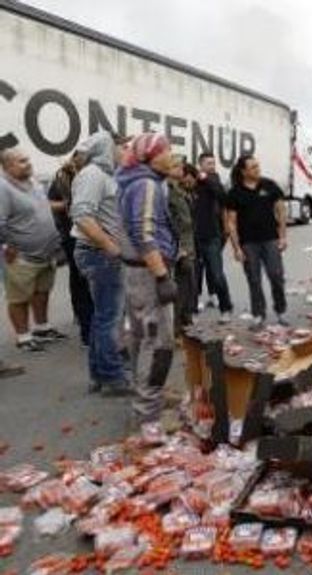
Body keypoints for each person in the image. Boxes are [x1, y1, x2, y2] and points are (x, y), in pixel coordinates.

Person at [116, 133, 178, 425]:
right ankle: (148, 416)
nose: (172, 156)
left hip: (136, 271)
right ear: (152, 156)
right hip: (148, 273)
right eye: (167, 152)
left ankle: (144, 398)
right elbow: (143, 233)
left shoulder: (135, 180)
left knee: (140, 337)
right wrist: (163, 275)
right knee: (160, 343)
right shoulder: (146, 184)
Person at [71, 131, 131, 394]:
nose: (126, 151)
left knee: (102, 316)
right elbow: (82, 216)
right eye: (123, 147)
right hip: (100, 255)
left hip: (100, 254)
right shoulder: (93, 174)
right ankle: (112, 377)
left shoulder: (105, 175)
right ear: (109, 148)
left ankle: (100, 373)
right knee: (109, 318)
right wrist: (112, 247)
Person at [0, 148, 65, 353]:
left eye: (27, 159)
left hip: (45, 252)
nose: (28, 163)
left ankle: (42, 328)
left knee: (41, 291)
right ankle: (23, 337)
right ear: (7, 166)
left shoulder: (32, 181)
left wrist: (64, 205)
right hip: (21, 255)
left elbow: (43, 205)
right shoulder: (2, 188)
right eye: (21, 161)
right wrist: (5, 245)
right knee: (19, 297)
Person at [225, 155, 288, 328]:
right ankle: (258, 314)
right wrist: (236, 248)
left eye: (258, 166)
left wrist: (283, 236)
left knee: (276, 275)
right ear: (243, 171)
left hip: (271, 240)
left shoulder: (269, 186)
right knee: (254, 279)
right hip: (248, 243)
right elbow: (231, 222)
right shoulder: (235, 193)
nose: (257, 169)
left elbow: (281, 211)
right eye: (253, 167)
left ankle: (281, 310)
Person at [49, 152, 94, 347]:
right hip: (74, 235)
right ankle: (86, 325)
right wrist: (67, 205)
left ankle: (87, 323)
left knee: (84, 282)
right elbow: (50, 203)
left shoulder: (92, 177)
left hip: (87, 236)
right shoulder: (62, 179)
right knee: (81, 281)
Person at [193, 153, 233, 321]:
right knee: (194, 275)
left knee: (216, 273)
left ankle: (226, 308)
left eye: (213, 163)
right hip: (194, 236)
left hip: (212, 236)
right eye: (208, 163)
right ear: (200, 164)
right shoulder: (193, 182)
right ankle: (192, 308)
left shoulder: (214, 181)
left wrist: (207, 179)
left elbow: (223, 198)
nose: (212, 166)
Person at [166, 156, 197, 337]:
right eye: (176, 166)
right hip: (179, 247)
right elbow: (169, 221)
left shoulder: (180, 189)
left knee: (189, 286)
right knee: (181, 288)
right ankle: (176, 328)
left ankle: (186, 322)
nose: (181, 169)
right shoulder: (167, 191)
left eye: (181, 166)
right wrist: (178, 248)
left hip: (188, 244)